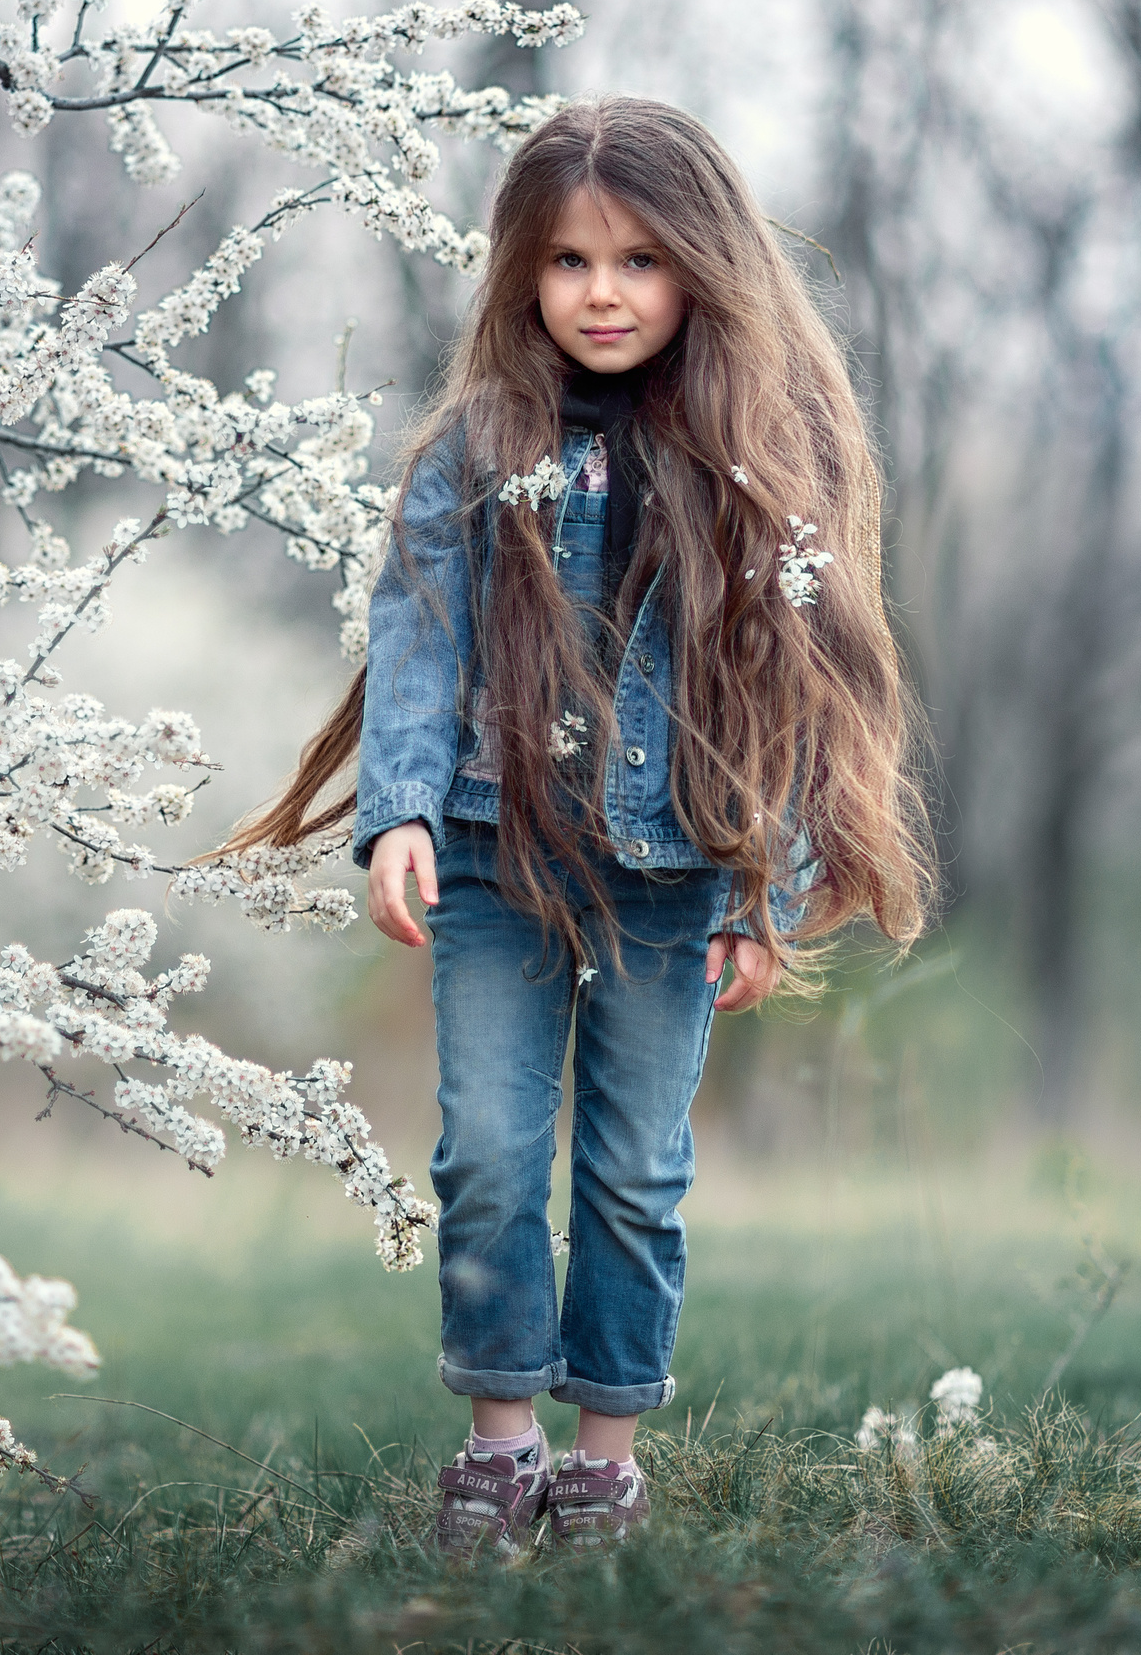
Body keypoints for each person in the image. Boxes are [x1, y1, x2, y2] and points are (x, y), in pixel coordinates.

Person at [225, 97, 932, 1555]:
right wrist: (400, 812)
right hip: (496, 851)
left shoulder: (760, 462)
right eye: (566, 261)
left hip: (676, 876)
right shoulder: (481, 445)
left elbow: (792, 689)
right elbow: (418, 627)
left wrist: (765, 885)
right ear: (520, 275)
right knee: (486, 1151)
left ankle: (604, 1461)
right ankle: (501, 1450)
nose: (601, 292)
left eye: (637, 260)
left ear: (701, 270)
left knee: (632, 1169)